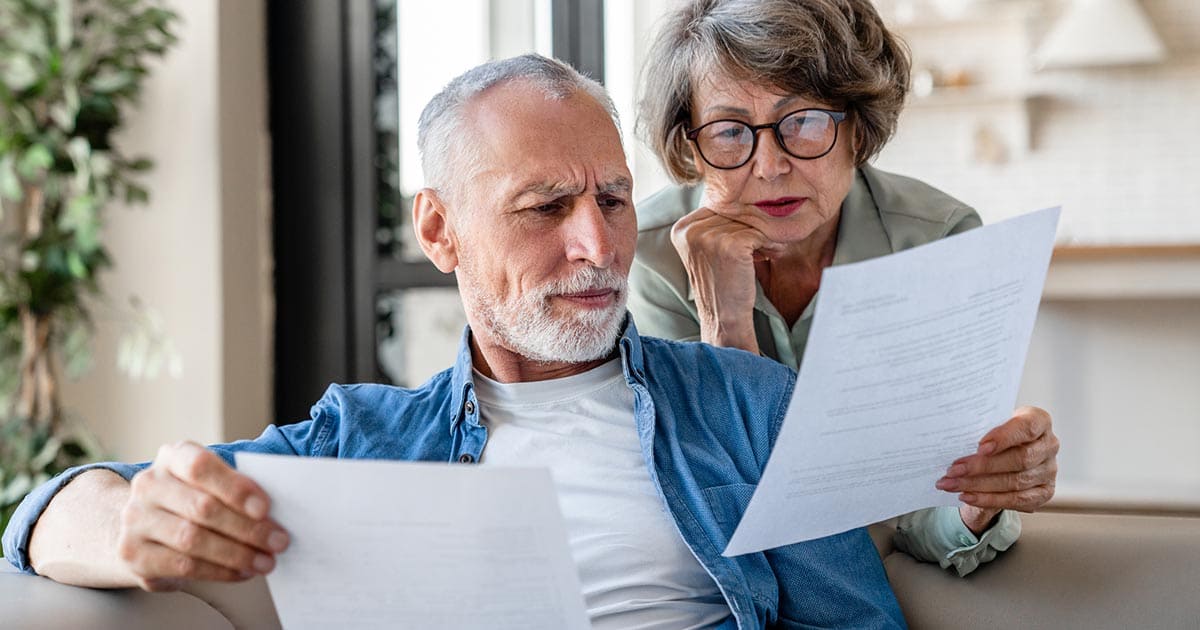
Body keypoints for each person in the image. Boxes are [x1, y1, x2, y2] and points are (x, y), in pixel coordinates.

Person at [3, 54, 906, 629]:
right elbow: (43, 513)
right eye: (546, 207)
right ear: (438, 231)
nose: (598, 246)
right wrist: (135, 528)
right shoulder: (361, 440)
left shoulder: (745, 403)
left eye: (614, 199)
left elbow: (854, 622)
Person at [628, 0, 1059, 577]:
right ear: (690, 147)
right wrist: (726, 325)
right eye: (730, 132)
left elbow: (918, 512)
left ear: (858, 128)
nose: (770, 165)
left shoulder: (937, 243)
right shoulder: (651, 255)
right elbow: (712, 507)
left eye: (803, 120)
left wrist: (977, 499)